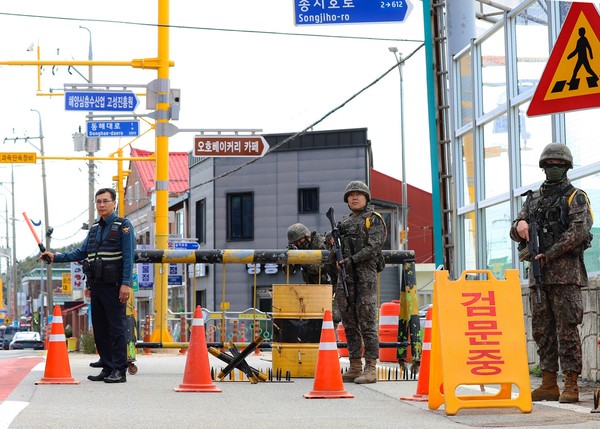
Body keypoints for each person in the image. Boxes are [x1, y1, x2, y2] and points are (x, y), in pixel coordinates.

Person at [509, 143, 593, 403]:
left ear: (566, 167)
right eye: (549, 164)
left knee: (567, 330)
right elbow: (515, 230)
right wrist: (519, 226)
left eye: (558, 165)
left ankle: (570, 383)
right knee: (542, 330)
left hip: (565, 276)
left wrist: (550, 253)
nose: (553, 168)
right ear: (542, 166)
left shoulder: (575, 196)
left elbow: (579, 231)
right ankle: (548, 382)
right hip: (539, 276)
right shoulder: (532, 200)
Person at [41, 188, 135, 384]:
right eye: (98, 201)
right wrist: (55, 257)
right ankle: (108, 367)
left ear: (114, 203)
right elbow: (80, 253)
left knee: (116, 328)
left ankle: (120, 369)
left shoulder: (123, 226)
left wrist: (126, 284)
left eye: (106, 201)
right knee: (100, 328)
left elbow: (128, 257)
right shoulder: (95, 229)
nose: (101, 205)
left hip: (115, 285)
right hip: (97, 285)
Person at [330, 180, 386, 384]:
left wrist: (351, 259)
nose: (354, 197)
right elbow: (333, 253)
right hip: (345, 278)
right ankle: (355, 366)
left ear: (366, 198)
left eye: (358, 194)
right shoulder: (343, 224)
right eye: (351, 195)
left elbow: (374, 247)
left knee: (368, 323)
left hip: (365, 278)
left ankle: (370, 367)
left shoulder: (374, 219)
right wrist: (334, 248)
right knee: (349, 323)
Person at [286, 223, 340, 323]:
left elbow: (318, 268)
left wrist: (300, 259)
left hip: (330, 287)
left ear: (307, 237)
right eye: (295, 243)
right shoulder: (298, 248)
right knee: (314, 320)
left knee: (333, 318)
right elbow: (288, 272)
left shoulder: (320, 242)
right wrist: (292, 256)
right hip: (313, 290)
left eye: (300, 241)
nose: (299, 244)